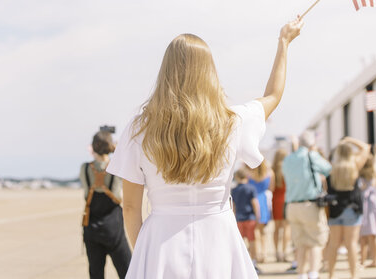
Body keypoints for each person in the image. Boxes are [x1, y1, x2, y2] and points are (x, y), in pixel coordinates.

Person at [107, 18, 303, 278]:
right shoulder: (233, 122)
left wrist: (144, 252)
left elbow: (130, 207)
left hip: (160, 240)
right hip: (219, 239)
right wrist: (284, 43)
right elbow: (273, 96)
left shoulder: (140, 128)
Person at [79, 130, 131, 279]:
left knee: (96, 273)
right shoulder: (116, 167)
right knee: (127, 270)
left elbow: (85, 194)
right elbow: (117, 196)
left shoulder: (85, 168)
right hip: (113, 229)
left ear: (93, 147)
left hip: (91, 228)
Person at [282, 130, 332, 279]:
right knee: (316, 241)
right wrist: (314, 152)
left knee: (300, 243)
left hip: (291, 205)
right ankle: (313, 273)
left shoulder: (288, 159)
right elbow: (328, 169)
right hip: (309, 205)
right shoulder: (311, 155)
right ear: (312, 144)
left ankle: (302, 274)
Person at [326, 136, 369, 279]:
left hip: (335, 209)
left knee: (333, 244)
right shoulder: (355, 164)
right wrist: (349, 139)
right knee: (351, 244)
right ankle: (353, 275)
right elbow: (366, 148)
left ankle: (330, 275)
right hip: (352, 208)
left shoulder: (332, 168)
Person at [232, 168, 262, 275]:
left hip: (239, 219)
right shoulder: (251, 188)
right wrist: (258, 217)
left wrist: (234, 218)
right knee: (252, 241)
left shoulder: (234, 190)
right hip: (250, 218)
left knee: (241, 242)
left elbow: (233, 206)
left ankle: (242, 263)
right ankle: (253, 262)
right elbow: (255, 204)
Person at [247, 160, 274, 263]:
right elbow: (271, 188)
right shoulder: (269, 173)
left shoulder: (249, 175)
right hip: (263, 200)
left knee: (255, 230)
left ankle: (257, 253)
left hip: (253, 201)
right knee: (263, 230)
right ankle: (264, 253)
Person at [359, 155, 376, 267]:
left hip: (364, 204)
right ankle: (375, 260)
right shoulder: (374, 173)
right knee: (374, 234)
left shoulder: (359, 173)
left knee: (363, 236)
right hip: (374, 204)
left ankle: (362, 261)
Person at [272, 147, 291, 262]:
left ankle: (276, 252)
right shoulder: (288, 169)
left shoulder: (273, 170)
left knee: (276, 228)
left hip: (276, 200)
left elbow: (271, 187)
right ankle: (285, 252)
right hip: (286, 199)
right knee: (286, 228)